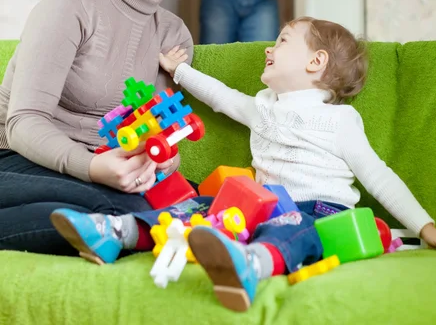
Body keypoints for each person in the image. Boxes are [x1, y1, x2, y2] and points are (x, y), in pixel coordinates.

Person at [50, 16, 436, 310]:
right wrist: (178, 71)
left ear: (316, 62)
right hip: (259, 204)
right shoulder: (263, 106)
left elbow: (379, 177)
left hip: (320, 209)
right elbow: (222, 96)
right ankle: (118, 232)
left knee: (299, 226)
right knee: (198, 207)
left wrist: (425, 226)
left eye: (282, 41)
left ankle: (251, 263)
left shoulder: (339, 121)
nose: (270, 49)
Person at [0, 0, 213, 255]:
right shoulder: (70, 6)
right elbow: (24, 122)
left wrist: (156, 159)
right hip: (20, 159)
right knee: (124, 210)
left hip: (107, 167)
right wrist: (93, 168)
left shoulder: (173, 34)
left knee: (201, 205)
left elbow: (162, 129)